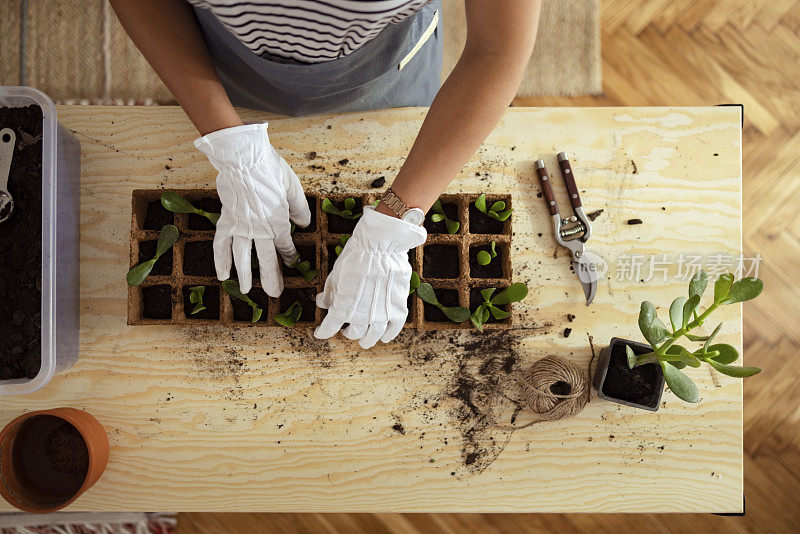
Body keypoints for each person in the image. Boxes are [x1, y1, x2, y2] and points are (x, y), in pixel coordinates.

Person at [110, 0, 541, 348]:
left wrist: (396, 215)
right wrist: (231, 143)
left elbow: (498, 47)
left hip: (386, 70)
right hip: (223, 62)